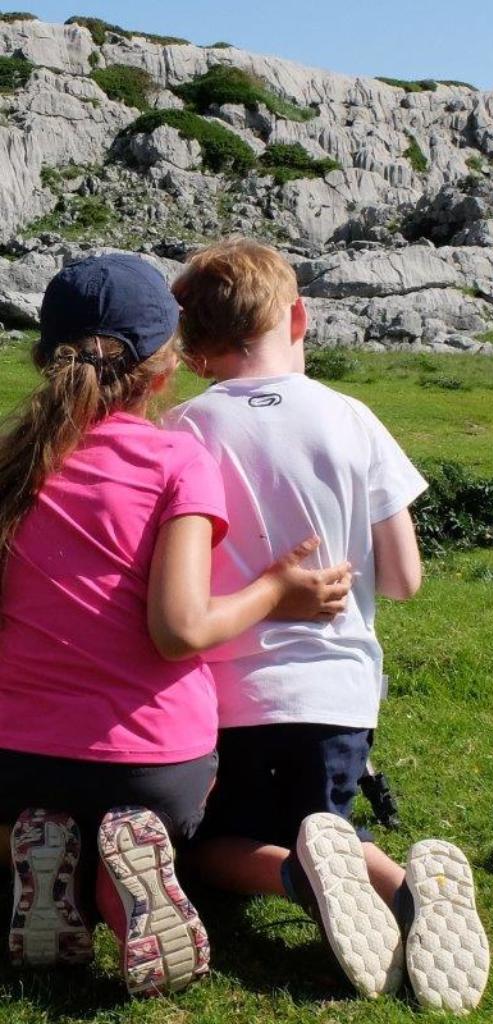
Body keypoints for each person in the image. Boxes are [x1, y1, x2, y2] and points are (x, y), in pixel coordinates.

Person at [0, 253, 351, 998]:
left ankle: (35, 859)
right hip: (156, 769)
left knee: (31, 818)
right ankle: (116, 892)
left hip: (18, 760)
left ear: (41, 356)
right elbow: (180, 628)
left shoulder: (12, 466)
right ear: (164, 368)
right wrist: (276, 590)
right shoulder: (176, 461)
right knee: (156, 837)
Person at [167, 238, 491, 1015]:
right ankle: (408, 888)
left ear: (197, 348)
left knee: (210, 848)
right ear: (298, 316)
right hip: (342, 693)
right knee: (326, 821)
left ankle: (296, 877)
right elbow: (405, 578)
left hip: (233, 697)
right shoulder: (354, 415)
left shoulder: (185, 427)